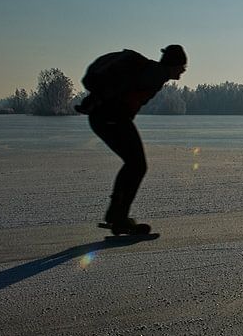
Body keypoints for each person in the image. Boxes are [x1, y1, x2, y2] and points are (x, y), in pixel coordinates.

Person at [76, 44, 187, 235]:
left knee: (134, 164)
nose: (183, 71)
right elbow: (122, 84)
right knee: (137, 165)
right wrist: (98, 100)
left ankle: (116, 214)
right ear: (173, 64)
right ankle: (118, 216)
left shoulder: (154, 73)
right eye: (182, 67)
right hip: (110, 117)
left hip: (108, 117)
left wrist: (96, 100)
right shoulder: (155, 74)